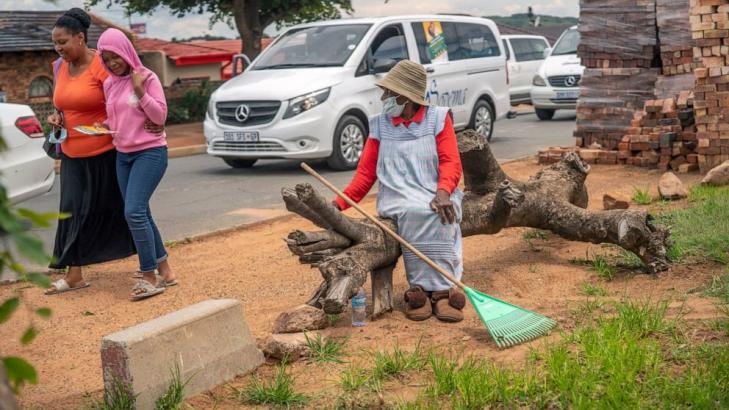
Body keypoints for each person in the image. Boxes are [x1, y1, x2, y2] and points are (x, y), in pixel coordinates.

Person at [334, 60, 465, 322]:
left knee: (439, 213)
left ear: (405, 98)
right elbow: (365, 174)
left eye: (388, 93)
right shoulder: (379, 125)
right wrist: (339, 204)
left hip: (435, 192)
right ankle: (419, 290)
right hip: (398, 198)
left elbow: (451, 161)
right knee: (414, 211)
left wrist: (443, 191)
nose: (383, 98)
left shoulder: (438, 119)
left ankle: (440, 292)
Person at [45, 8, 136, 295]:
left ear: (81, 38)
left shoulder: (103, 64)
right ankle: (74, 275)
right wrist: (56, 116)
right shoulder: (59, 67)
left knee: (127, 209)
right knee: (71, 212)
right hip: (72, 151)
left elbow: (125, 99)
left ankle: (154, 264)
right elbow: (62, 103)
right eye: (55, 43)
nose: (59, 49)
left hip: (107, 151)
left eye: (63, 42)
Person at [97, 28, 176, 301]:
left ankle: (148, 275)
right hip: (123, 154)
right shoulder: (109, 83)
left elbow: (160, 116)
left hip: (150, 152)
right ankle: (165, 270)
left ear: (126, 52)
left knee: (134, 212)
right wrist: (102, 126)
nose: (111, 63)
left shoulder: (146, 77)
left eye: (114, 57)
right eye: (106, 59)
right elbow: (117, 117)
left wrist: (140, 91)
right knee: (141, 211)